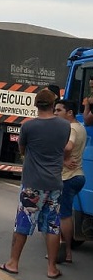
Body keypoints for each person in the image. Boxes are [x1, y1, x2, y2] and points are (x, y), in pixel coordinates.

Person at [0, 89, 70, 278]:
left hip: (32, 183)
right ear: (53, 105)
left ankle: (13, 263)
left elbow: (22, 150)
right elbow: (62, 149)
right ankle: (52, 268)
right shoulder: (65, 127)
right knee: (52, 226)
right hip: (55, 183)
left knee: (23, 222)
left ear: (36, 105)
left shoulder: (28, 127)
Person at [53, 99, 87, 263]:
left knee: (64, 215)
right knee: (64, 212)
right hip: (79, 175)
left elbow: (68, 147)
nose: (55, 113)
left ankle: (66, 252)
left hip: (69, 176)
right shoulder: (81, 127)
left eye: (59, 110)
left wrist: (62, 159)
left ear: (70, 113)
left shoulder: (71, 128)